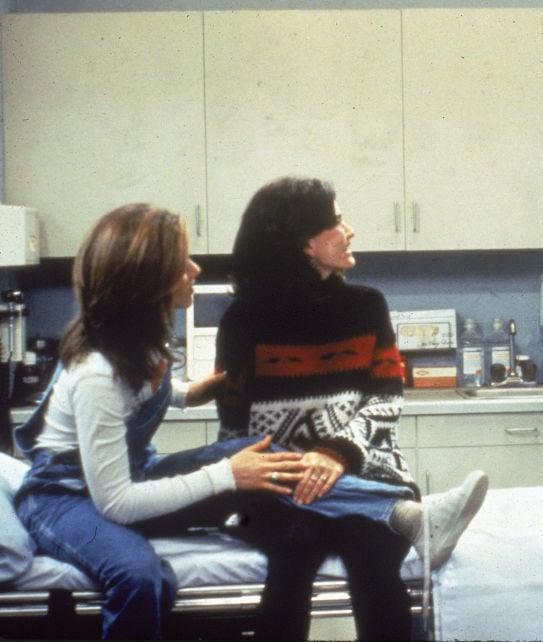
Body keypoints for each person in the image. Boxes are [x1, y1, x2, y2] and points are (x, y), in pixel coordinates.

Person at [13, 203, 486, 640]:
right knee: (140, 575)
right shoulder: (97, 371)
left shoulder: (138, 342)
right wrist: (226, 476)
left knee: (249, 454)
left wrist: (185, 393)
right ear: (147, 279)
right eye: (183, 262)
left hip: (128, 479)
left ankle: (409, 516)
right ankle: (405, 516)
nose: (196, 270)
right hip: (67, 500)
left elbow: (134, 397)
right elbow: (115, 503)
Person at [214, 176, 488, 638]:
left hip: (363, 469)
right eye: (338, 221)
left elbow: (386, 400)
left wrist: (336, 453)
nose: (350, 230)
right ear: (305, 244)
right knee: (295, 549)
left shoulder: (367, 306)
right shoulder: (242, 320)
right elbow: (235, 428)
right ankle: (414, 519)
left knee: (372, 552)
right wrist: (300, 467)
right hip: (282, 487)